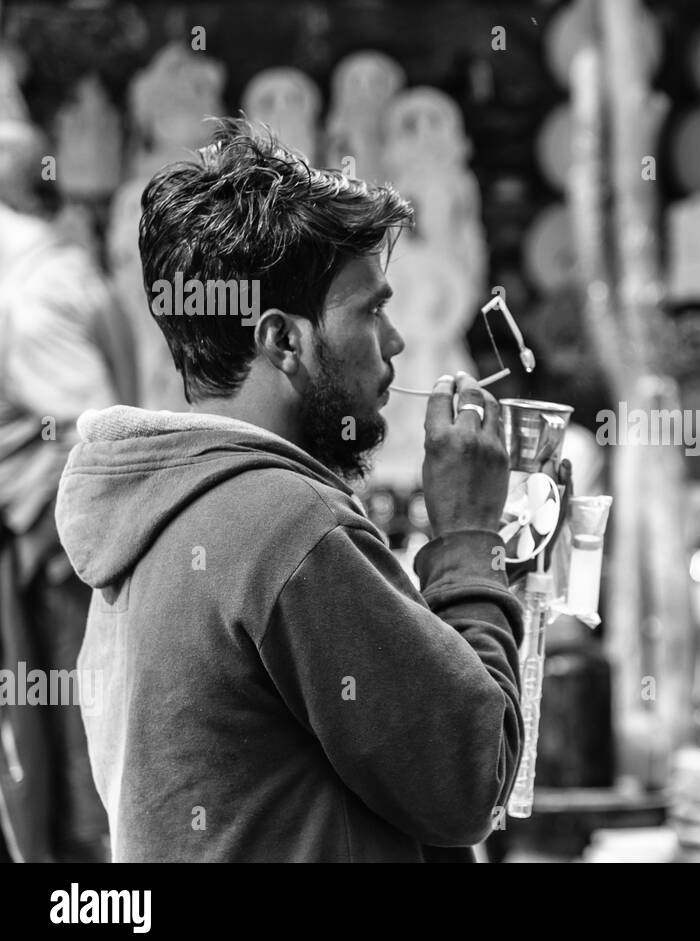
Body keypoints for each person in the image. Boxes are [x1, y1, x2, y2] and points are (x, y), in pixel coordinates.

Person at [55, 119, 530, 861]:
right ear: (283, 340)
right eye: (372, 310)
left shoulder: (153, 509)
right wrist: (469, 538)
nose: (397, 342)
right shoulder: (286, 526)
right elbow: (471, 776)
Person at [0, 118, 127, 863]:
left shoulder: (37, 293)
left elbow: (89, 433)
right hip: (54, 547)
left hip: (59, 554)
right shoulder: (53, 268)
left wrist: (54, 553)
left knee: (71, 745)